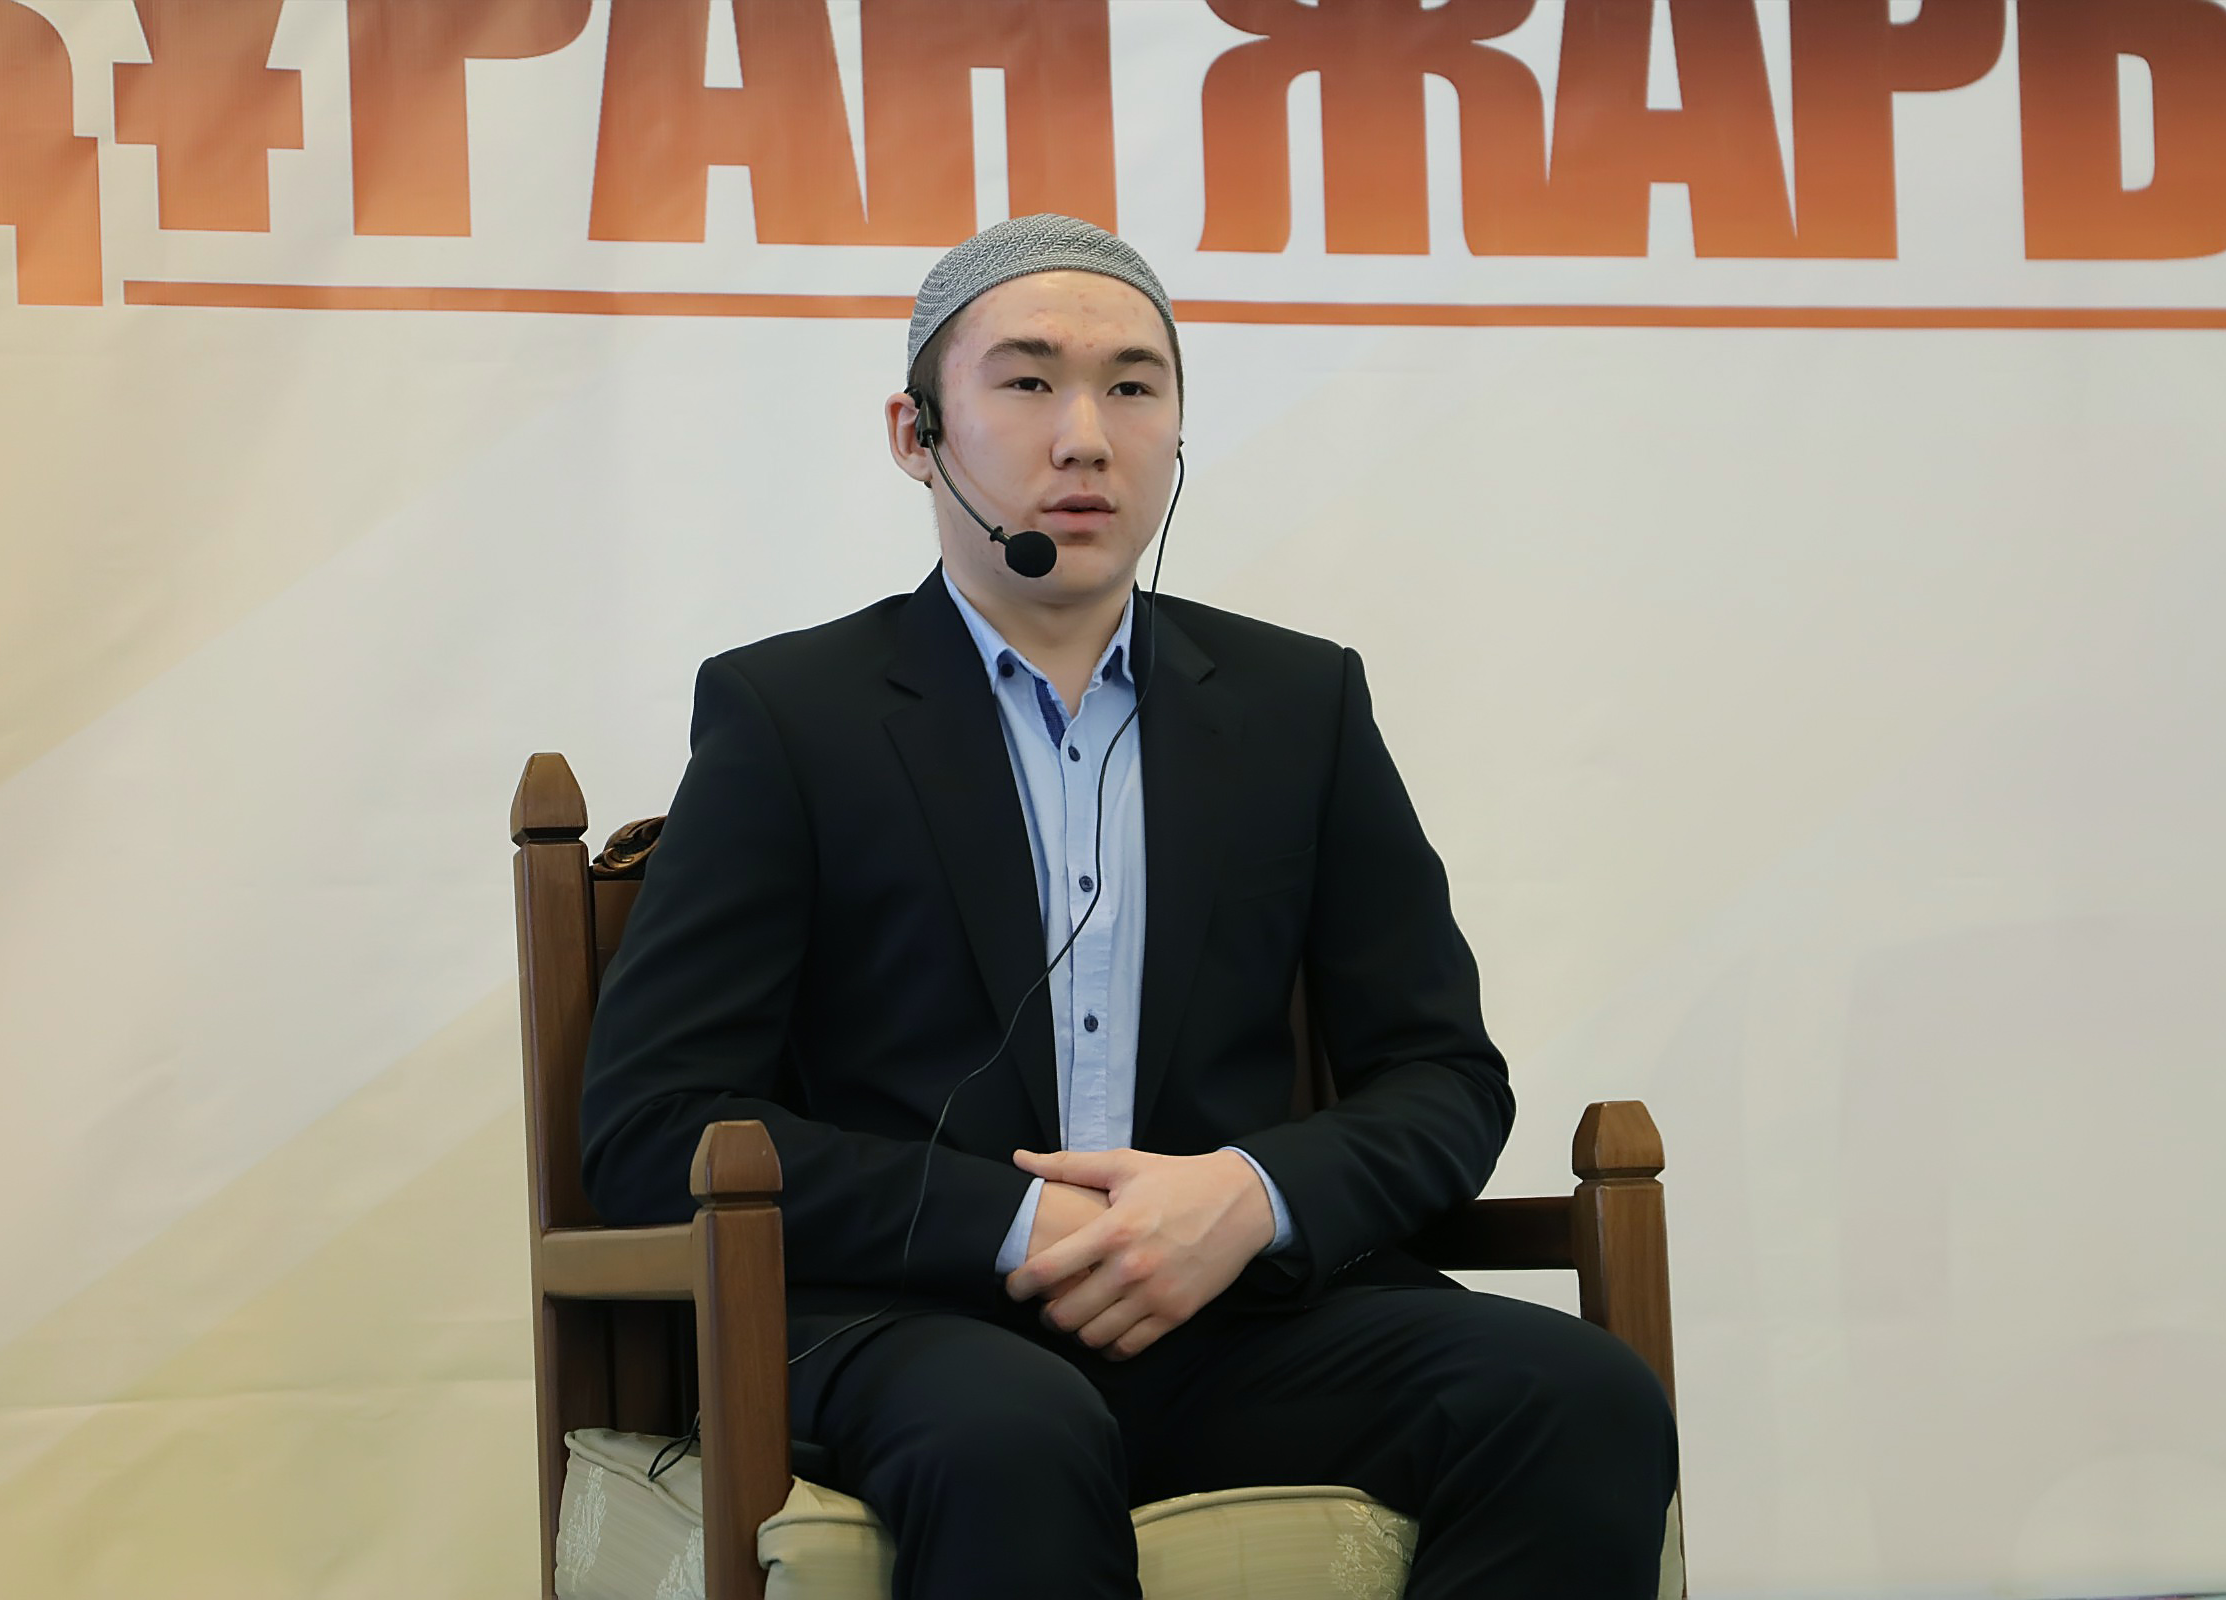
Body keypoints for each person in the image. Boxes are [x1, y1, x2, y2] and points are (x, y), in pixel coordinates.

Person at [580, 213, 1677, 1598]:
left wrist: (1249, 1198)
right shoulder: (789, 714)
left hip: (1236, 1317)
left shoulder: (1299, 706)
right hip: (916, 1325)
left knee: (1578, 1398)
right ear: (917, 434)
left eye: (1134, 386)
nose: (1086, 437)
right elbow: (653, 1124)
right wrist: (1015, 1222)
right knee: (1013, 1436)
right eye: (1029, 381)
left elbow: (1444, 1078)